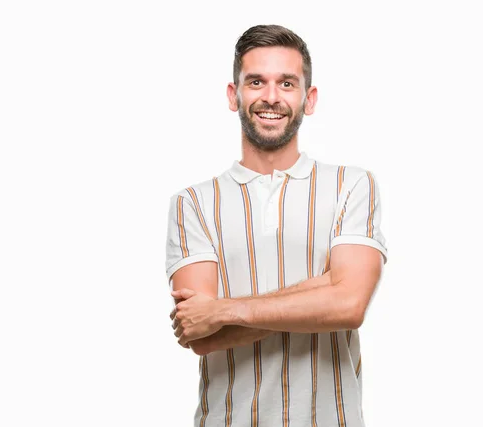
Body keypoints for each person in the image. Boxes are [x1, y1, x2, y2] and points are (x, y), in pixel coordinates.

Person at [165, 24, 388, 427]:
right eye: (256, 82)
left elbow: (349, 305)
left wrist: (224, 310)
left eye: (287, 83)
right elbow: (202, 334)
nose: (271, 96)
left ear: (309, 98)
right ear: (234, 96)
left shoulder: (351, 186)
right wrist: (325, 285)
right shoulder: (192, 203)